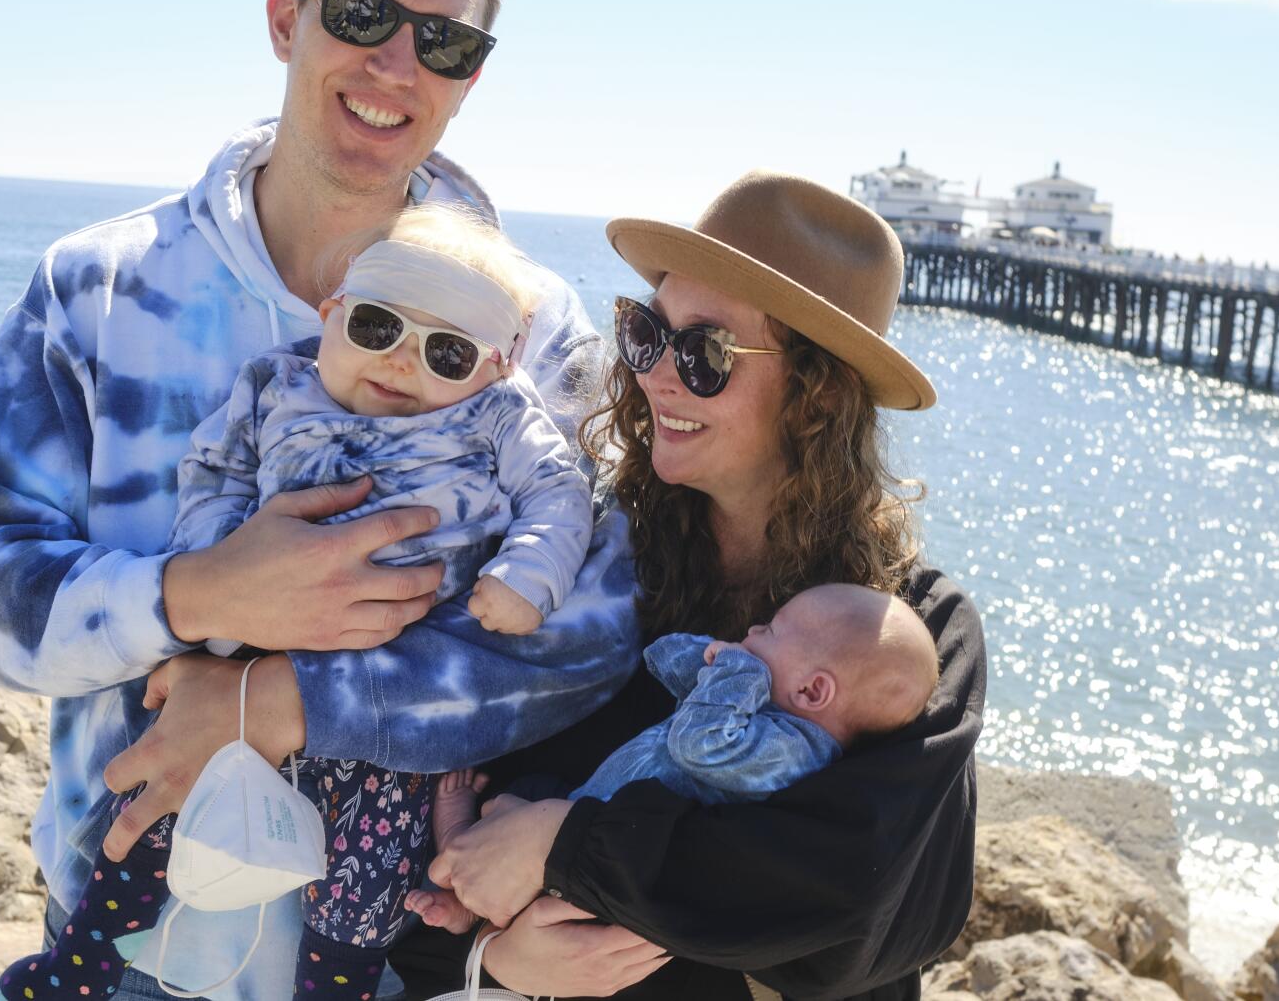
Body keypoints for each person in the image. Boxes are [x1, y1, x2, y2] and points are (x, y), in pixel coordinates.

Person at [0, 0, 638, 1000]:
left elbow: (591, 637)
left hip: (401, 964)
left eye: (443, 43)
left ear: (468, 76)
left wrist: (290, 701)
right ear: (283, 16)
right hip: (116, 949)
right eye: (360, 14)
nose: (394, 64)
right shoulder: (97, 289)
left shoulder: (533, 328)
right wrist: (198, 595)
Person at [395, 170, 987, 1000]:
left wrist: (563, 844)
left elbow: (857, 909)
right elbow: (428, 838)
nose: (655, 376)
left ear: (818, 395)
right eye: (647, 333)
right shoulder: (581, 572)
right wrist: (493, 961)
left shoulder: (912, 629)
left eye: (705, 352)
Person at [0, 203, 597, 1001]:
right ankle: (85, 961)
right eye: (377, 326)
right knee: (160, 806)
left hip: (393, 701)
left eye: (445, 352)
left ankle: (333, 990)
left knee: (369, 870)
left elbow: (559, 490)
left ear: (492, 369)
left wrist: (526, 574)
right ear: (332, 315)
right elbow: (216, 469)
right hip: (246, 658)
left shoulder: (498, 417)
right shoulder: (279, 385)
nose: (403, 362)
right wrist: (214, 570)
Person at [413, 583, 939, 937]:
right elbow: (660, 658)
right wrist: (714, 656)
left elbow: (699, 745)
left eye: (771, 631)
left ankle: (459, 868)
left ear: (813, 690)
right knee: (527, 789)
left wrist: (738, 672)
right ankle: (468, 890)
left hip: (598, 866)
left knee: (520, 854)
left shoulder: (792, 754)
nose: (753, 631)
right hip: (579, 811)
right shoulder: (752, 704)